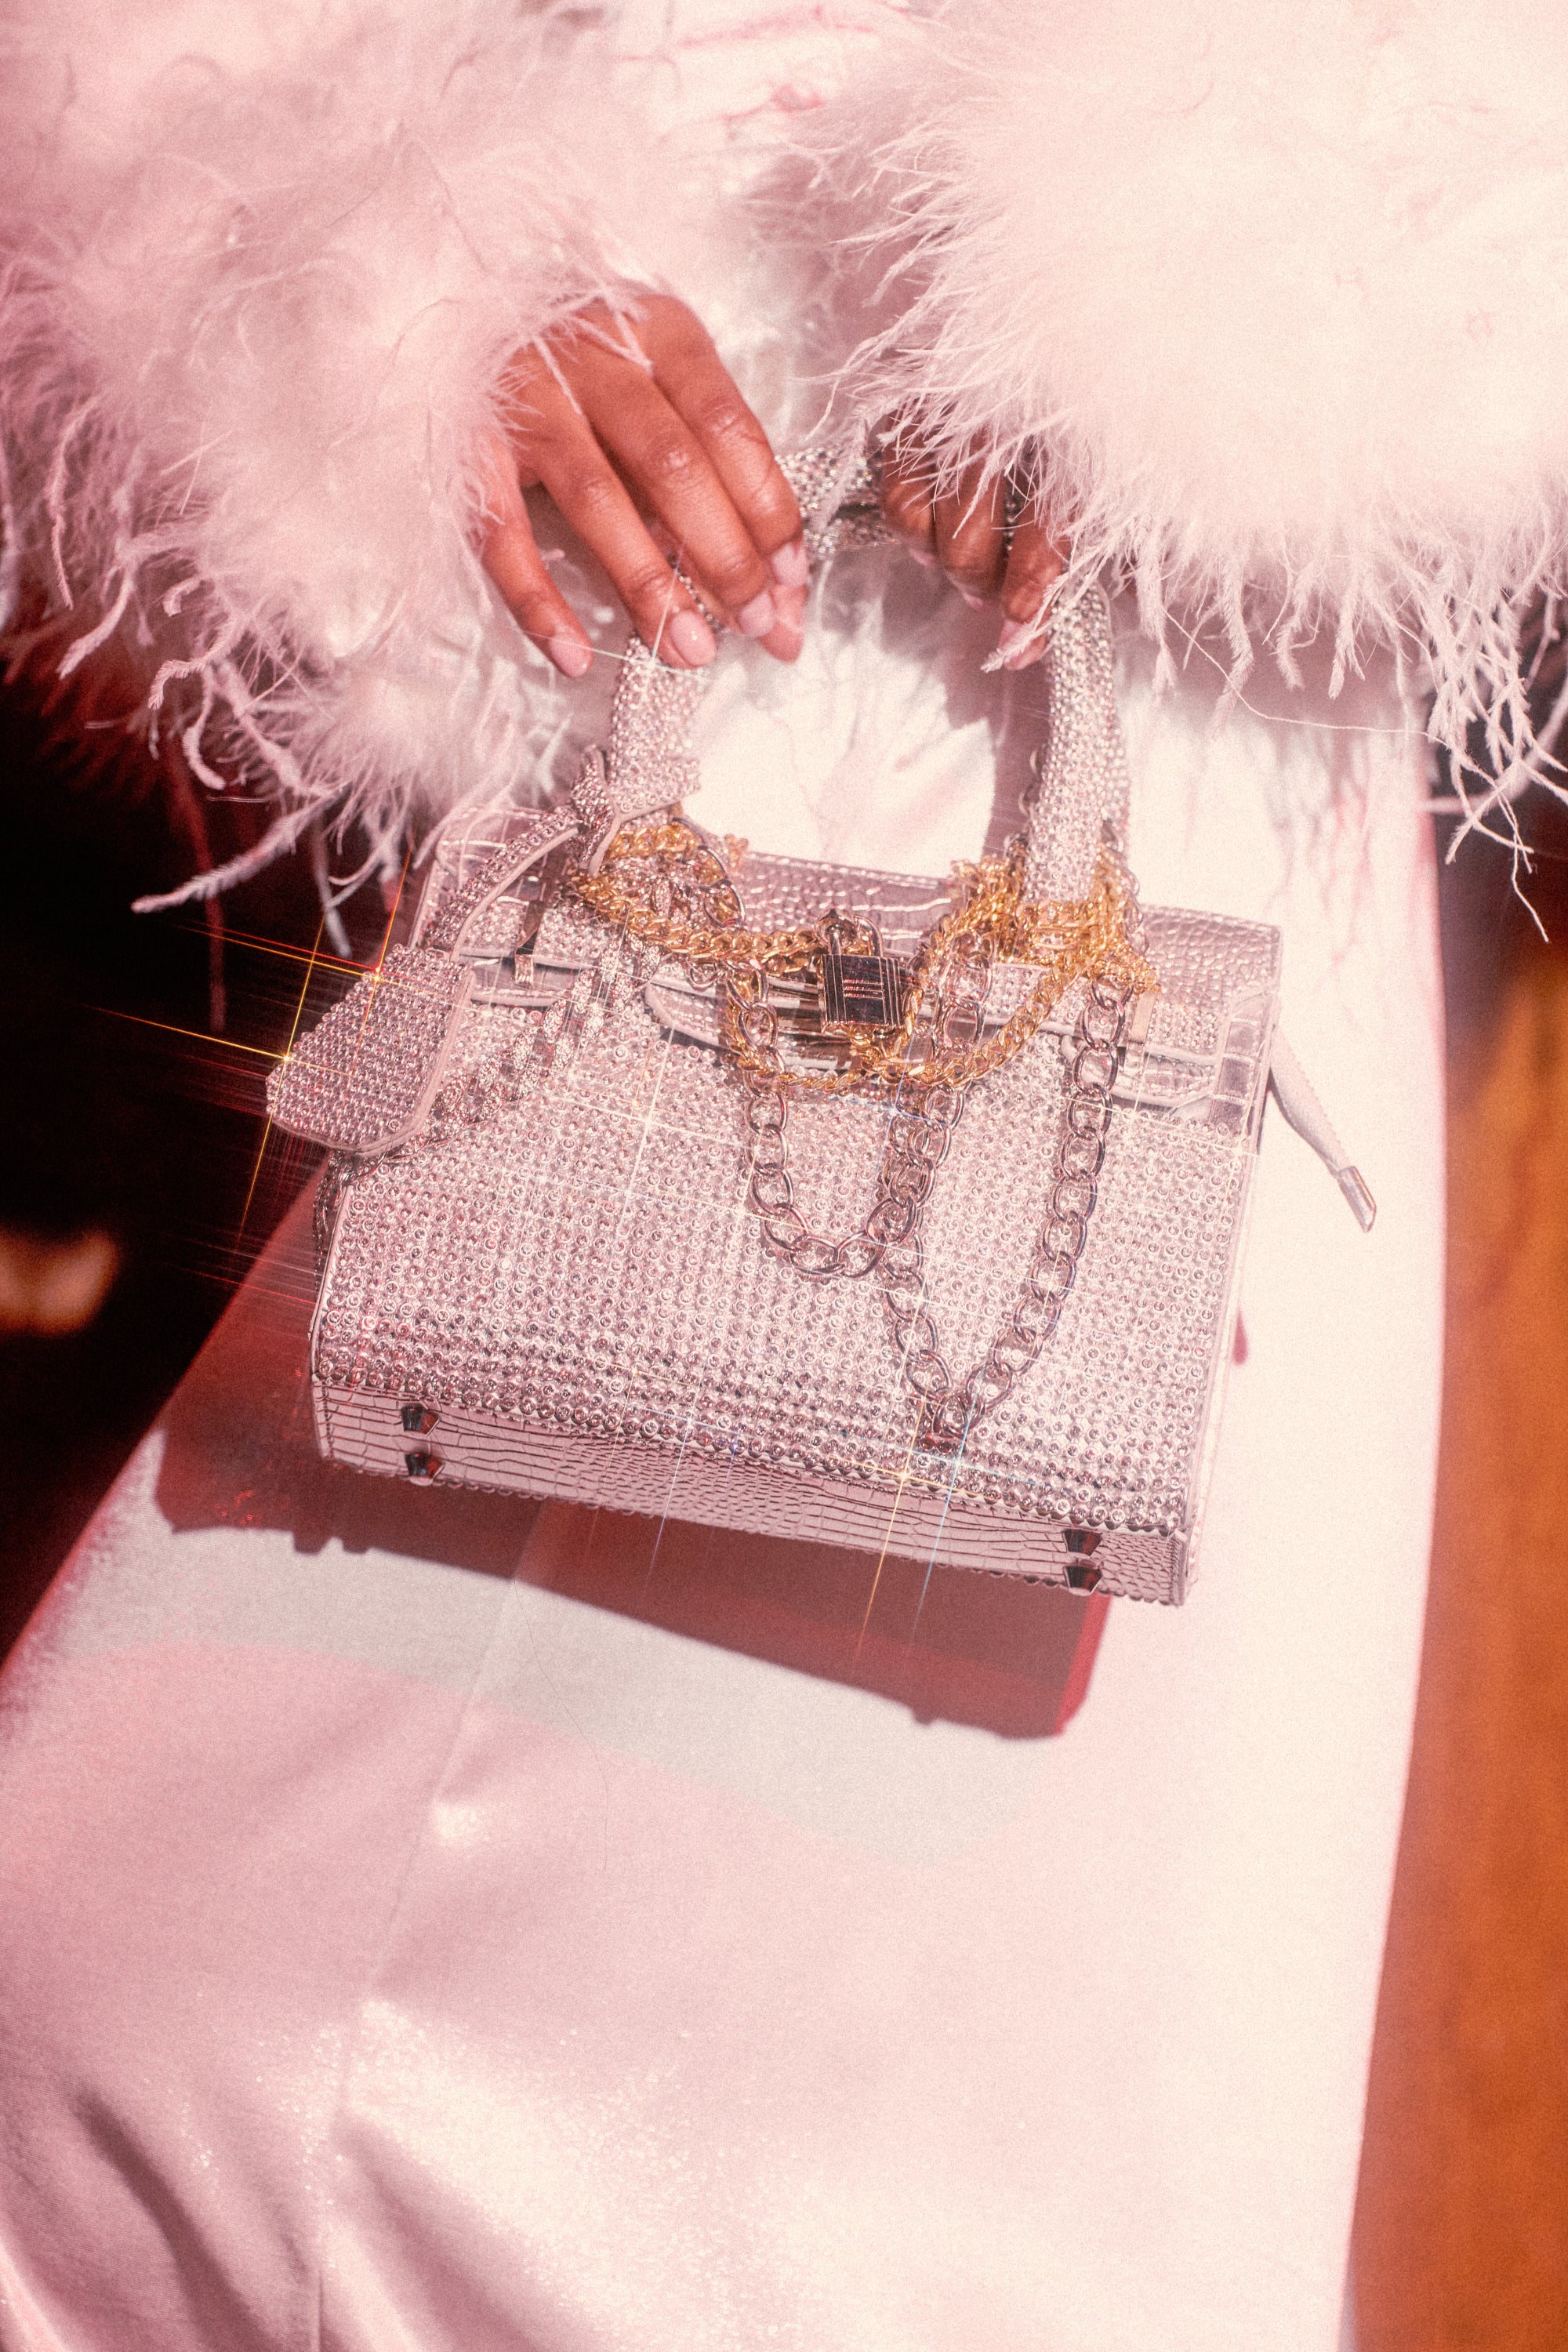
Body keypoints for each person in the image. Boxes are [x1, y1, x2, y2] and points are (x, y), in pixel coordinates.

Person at [2, 2, 1559, 2343]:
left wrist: (1216, 310)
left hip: (1181, 712)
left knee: (921, 2171)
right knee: (180, 2038)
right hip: (656, 646)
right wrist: (407, 274)